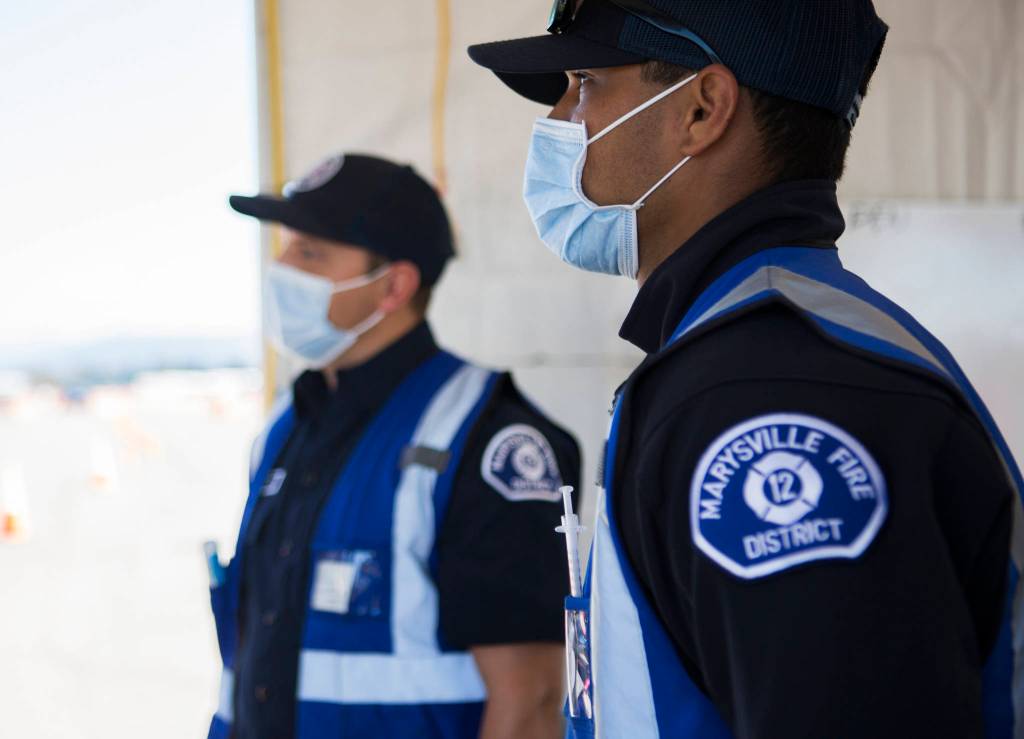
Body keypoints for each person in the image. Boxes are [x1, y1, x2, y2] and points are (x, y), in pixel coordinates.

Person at [468, 1, 1023, 737]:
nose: (563, 118)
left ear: (702, 109)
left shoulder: (770, 396)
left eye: (586, 82)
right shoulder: (751, 355)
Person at [207, 152, 581, 739]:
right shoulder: (285, 426)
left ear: (395, 285)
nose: (280, 267)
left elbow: (530, 702)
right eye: (285, 246)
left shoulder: (486, 441)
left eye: (310, 253)